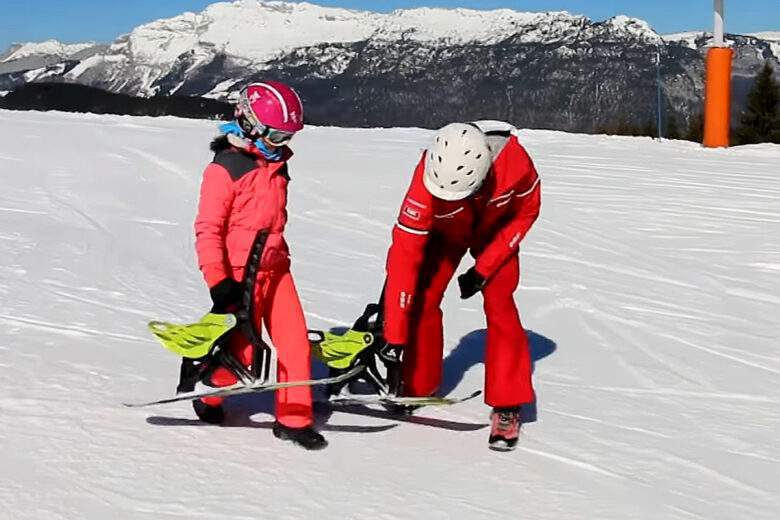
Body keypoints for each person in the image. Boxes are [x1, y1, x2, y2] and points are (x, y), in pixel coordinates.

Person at [382, 121, 541, 450]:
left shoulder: (516, 163)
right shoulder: (425, 180)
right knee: (422, 298)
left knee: (500, 306)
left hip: (495, 232)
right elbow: (403, 256)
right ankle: (417, 384)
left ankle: (508, 403)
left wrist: (484, 268)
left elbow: (527, 211)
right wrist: (394, 335)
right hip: (446, 230)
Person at [191, 81, 326, 450]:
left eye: (290, 135)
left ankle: (294, 419)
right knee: (242, 352)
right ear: (251, 123)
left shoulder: (276, 164)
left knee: (295, 343)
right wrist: (219, 283)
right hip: (238, 275)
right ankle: (210, 394)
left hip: (276, 268)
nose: (284, 142)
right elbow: (207, 230)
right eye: (279, 133)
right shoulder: (225, 169)